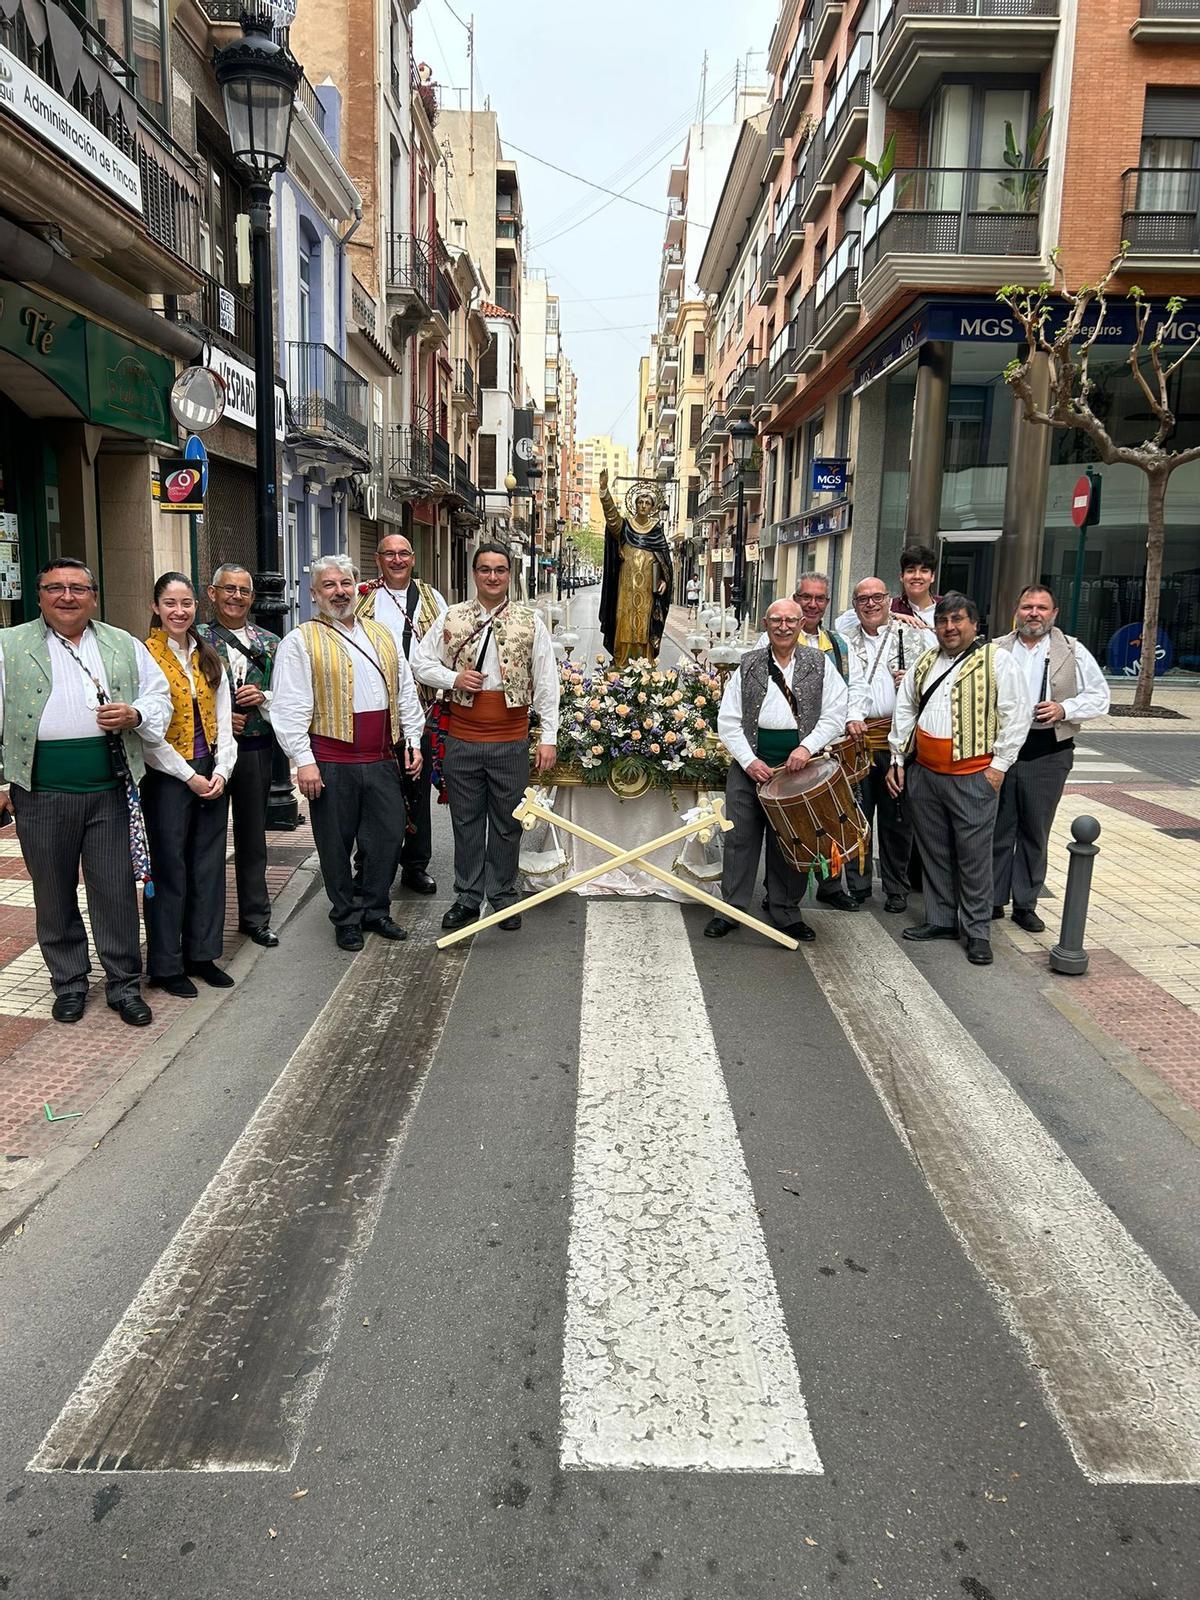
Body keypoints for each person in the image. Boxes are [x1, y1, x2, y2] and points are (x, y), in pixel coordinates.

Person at [0, 558, 171, 1025]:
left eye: (78, 588)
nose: (67, 596)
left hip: (111, 791)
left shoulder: (123, 643)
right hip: (39, 792)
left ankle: (123, 985)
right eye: (55, 587)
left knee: (114, 890)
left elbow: (160, 696)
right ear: (39, 596)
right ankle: (70, 982)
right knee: (53, 892)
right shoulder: (8, 645)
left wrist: (135, 714)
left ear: (94, 596)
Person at [272, 555, 425, 950]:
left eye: (345, 583)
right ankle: (345, 917)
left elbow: (405, 690)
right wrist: (304, 761)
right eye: (329, 585)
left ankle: (376, 909)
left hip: (381, 757)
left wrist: (412, 739)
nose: (339, 592)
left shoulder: (380, 634)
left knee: (387, 837)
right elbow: (289, 708)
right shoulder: (300, 640)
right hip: (332, 760)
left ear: (357, 586)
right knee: (336, 844)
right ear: (313, 593)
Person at [412, 543, 560, 934]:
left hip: (511, 739)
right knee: (467, 820)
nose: (492, 576)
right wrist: (454, 678)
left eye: (499, 570)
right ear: (474, 574)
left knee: (508, 822)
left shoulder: (531, 622)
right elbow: (420, 662)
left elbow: (546, 682)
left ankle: (502, 896)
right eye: (484, 570)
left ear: (510, 575)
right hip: (462, 738)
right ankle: (466, 896)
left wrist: (549, 736)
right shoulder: (451, 617)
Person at [887, 593, 1031, 965]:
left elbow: (1016, 714)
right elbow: (906, 709)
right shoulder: (924, 661)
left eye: (957, 620)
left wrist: (999, 767)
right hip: (926, 774)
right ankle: (940, 919)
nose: (949, 628)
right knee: (934, 850)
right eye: (942, 621)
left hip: (973, 775)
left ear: (974, 624)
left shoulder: (998, 660)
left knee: (974, 856)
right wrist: (898, 759)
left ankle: (977, 930)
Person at [705, 598, 850, 944]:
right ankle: (732, 908)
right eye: (776, 620)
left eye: (790, 620)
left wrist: (806, 748)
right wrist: (749, 760)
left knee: (792, 838)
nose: (783, 626)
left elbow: (835, 711)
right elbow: (728, 720)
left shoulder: (820, 663)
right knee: (739, 838)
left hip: (799, 767)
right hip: (750, 764)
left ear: (801, 625)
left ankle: (785, 908)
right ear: (766, 625)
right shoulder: (749, 664)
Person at [992, 584, 1110, 932]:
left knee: (1034, 830)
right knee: (999, 827)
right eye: (1028, 606)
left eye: (1042, 607)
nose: (1034, 613)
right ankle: (994, 898)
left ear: (1054, 613)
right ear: (1017, 610)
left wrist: (1064, 708)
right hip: (1002, 750)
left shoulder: (1071, 650)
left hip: (1048, 752)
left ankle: (1025, 904)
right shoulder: (997, 648)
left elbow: (1100, 697)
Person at [142, 573, 238, 996]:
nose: (179, 611)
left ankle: (202, 954)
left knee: (209, 865)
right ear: (155, 608)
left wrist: (221, 771)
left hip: (211, 769)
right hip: (167, 775)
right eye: (169, 603)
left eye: (186, 603)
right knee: (169, 869)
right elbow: (146, 736)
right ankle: (166, 964)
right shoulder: (144, 655)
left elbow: (225, 718)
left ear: (197, 606)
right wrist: (189, 776)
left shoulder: (209, 654)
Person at [355, 532, 446, 896]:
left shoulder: (431, 597)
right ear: (378, 559)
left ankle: (415, 865)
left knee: (417, 787)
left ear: (412, 558)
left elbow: (446, 645)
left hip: (419, 709)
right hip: (373, 711)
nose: (396, 560)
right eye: (389, 554)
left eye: (403, 554)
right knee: (373, 790)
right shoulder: (363, 597)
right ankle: (370, 864)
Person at [198, 565, 280, 948]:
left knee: (253, 838)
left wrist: (264, 699)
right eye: (227, 589)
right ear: (212, 594)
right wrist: (217, 719)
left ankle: (255, 917)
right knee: (207, 841)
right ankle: (204, 926)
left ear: (252, 597)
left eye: (243, 591)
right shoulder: (196, 638)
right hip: (208, 756)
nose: (236, 596)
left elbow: (290, 696)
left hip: (255, 751)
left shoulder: (271, 642)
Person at [843, 577, 937, 912]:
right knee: (857, 816)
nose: (870, 604)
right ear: (855, 605)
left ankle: (897, 888)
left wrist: (913, 679)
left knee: (898, 817)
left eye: (877, 597)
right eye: (862, 599)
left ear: (888, 600)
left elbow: (937, 681)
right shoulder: (843, 638)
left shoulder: (917, 635)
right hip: (857, 738)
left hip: (899, 740)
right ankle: (857, 885)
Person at [597, 470, 673, 665]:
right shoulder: (625, 527)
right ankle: (622, 660)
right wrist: (605, 492)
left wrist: (664, 580)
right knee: (624, 620)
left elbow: (665, 561)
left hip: (648, 588)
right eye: (640, 502)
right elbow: (612, 518)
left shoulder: (656, 531)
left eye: (648, 503)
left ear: (652, 507)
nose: (643, 506)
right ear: (635, 505)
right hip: (626, 586)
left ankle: (644, 661)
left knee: (645, 623)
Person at [892, 544, 940, 627]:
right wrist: (891, 617)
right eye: (911, 571)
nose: (917, 576)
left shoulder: (947, 608)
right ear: (901, 576)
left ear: (932, 577)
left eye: (924, 571)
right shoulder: (890, 607)